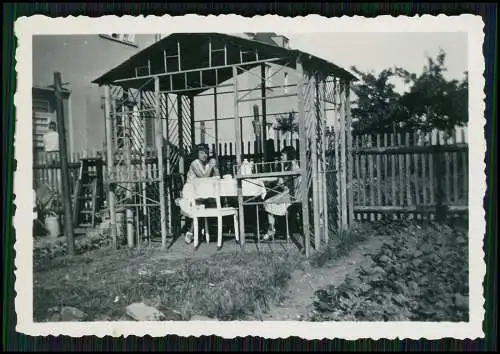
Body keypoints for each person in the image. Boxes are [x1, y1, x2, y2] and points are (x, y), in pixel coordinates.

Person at [182, 144, 220, 244]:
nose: (204, 155)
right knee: (200, 205)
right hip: (190, 190)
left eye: (206, 153)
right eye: (202, 153)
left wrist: (215, 167)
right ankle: (193, 231)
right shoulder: (194, 163)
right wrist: (211, 167)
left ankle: (198, 231)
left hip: (202, 190)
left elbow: (217, 177)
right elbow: (203, 178)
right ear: (197, 154)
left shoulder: (208, 163)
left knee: (209, 203)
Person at [262, 146, 301, 241]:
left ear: (289, 155)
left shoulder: (294, 166)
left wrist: (282, 186)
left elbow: (294, 185)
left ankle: (272, 230)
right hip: (288, 193)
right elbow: (281, 180)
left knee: (268, 202)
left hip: (292, 196)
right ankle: (271, 229)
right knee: (268, 200)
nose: (281, 157)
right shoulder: (288, 166)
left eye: (283, 155)